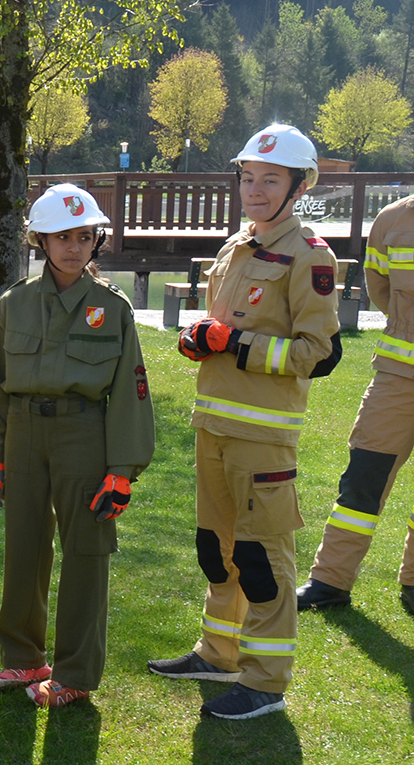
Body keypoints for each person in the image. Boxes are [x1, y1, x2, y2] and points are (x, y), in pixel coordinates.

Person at [150, 123, 342, 720]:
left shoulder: (308, 256)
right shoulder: (237, 247)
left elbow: (318, 352)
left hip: (263, 435)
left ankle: (265, 683)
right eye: (248, 178)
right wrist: (199, 340)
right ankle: (219, 653)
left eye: (270, 181)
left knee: (262, 560)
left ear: (298, 186)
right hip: (213, 423)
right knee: (217, 549)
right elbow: (222, 329)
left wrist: (234, 343)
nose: (254, 191)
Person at [0, 183, 156, 708]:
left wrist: (122, 469)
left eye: (84, 236)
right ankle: (23, 658)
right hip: (26, 432)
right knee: (24, 548)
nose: (74, 247)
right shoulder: (13, 306)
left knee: (86, 551)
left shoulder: (112, 308)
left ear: (95, 241)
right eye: (61, 237)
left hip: (84, 434)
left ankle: (75, 672)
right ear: (40, 241)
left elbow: (130, 393)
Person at [296, 192, 414, 615]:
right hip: (398, 377)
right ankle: (329, 582)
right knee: (362, 478)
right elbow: (379, 287)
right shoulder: (393, 219)